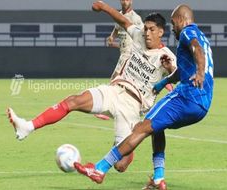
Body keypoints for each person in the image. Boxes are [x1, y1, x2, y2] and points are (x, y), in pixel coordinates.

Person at [6, 1, 177, 174]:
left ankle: (128, 151)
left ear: (161, 32)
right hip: (115, 91)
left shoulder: (167, 56)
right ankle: (27, 126)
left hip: (132, 106)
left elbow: (179, 75)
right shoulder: (139, 35)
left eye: (152, 30)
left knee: (120, 166)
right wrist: (103, 7)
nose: (147, 33)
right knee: (74, 101)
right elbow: (123, 20)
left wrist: (170, 69)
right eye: (146, 28)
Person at [74, 4, 214, 190]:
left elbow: (196, 49)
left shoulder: (188, 33)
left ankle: (100, 169)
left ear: (182, 20)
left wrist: (200, 73)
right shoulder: (204, 39)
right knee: (157, 126)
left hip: (187, 97)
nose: (173, 28)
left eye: (173, 23)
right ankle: (158, 179)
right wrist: (163, 83)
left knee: (142, 127)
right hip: (203, 104)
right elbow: (185, 69)